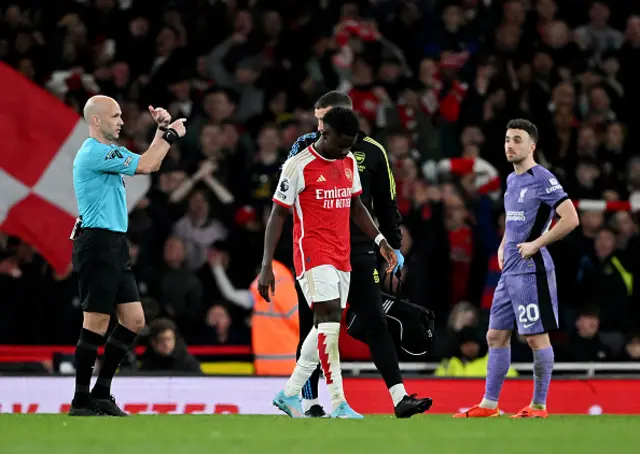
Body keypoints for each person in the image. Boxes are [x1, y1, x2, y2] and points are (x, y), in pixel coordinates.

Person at [286, 91, 432, 418]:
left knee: (374, 320)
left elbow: (383, 203)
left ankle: (399, 398)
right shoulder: (304, 148)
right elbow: (286, 200)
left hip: (360, 249)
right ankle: (309, 402)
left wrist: (390, 244)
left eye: (324, 119)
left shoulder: (370, 153)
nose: (319, 126)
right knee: (314, 325)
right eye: (317, 119)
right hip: (315, 250)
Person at [258, 106, 398, 419]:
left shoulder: (348, 161)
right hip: (311, 252)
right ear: (325, 133)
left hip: (342, 254)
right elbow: (277, 215)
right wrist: (266, 264)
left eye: (350, 145)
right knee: (330, 323)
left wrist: (381, 242)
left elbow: (357, 206)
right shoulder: (298, 165)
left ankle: (289, 393)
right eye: (340, 143)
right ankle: (339, 403)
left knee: (325, 325)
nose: (345, 150)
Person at [454, 119, 579, 419]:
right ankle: (489, 404)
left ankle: (538, 405)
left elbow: (571, 218)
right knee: (495, 336)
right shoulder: (511, 181)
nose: (510, 144)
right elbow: (515, 221)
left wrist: (537, 244)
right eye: (508, 139)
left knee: (536, 338)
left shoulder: (543, 178)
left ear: (532, 146)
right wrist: (503, 244)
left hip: (531, 269)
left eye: (518, 140)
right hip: (508, 269)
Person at [69, 95, 186, 416]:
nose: (121, 121)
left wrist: (161, 130)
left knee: (134, 320)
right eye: (115, 116)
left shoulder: (107, 153)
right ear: (96, 120)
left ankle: (101, 392)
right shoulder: (94, 153)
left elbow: (151, 159)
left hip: (114, 244)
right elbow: (148, 165)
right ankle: (80, 401)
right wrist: (172, 134)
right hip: (97, 243)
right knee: (96, 321)